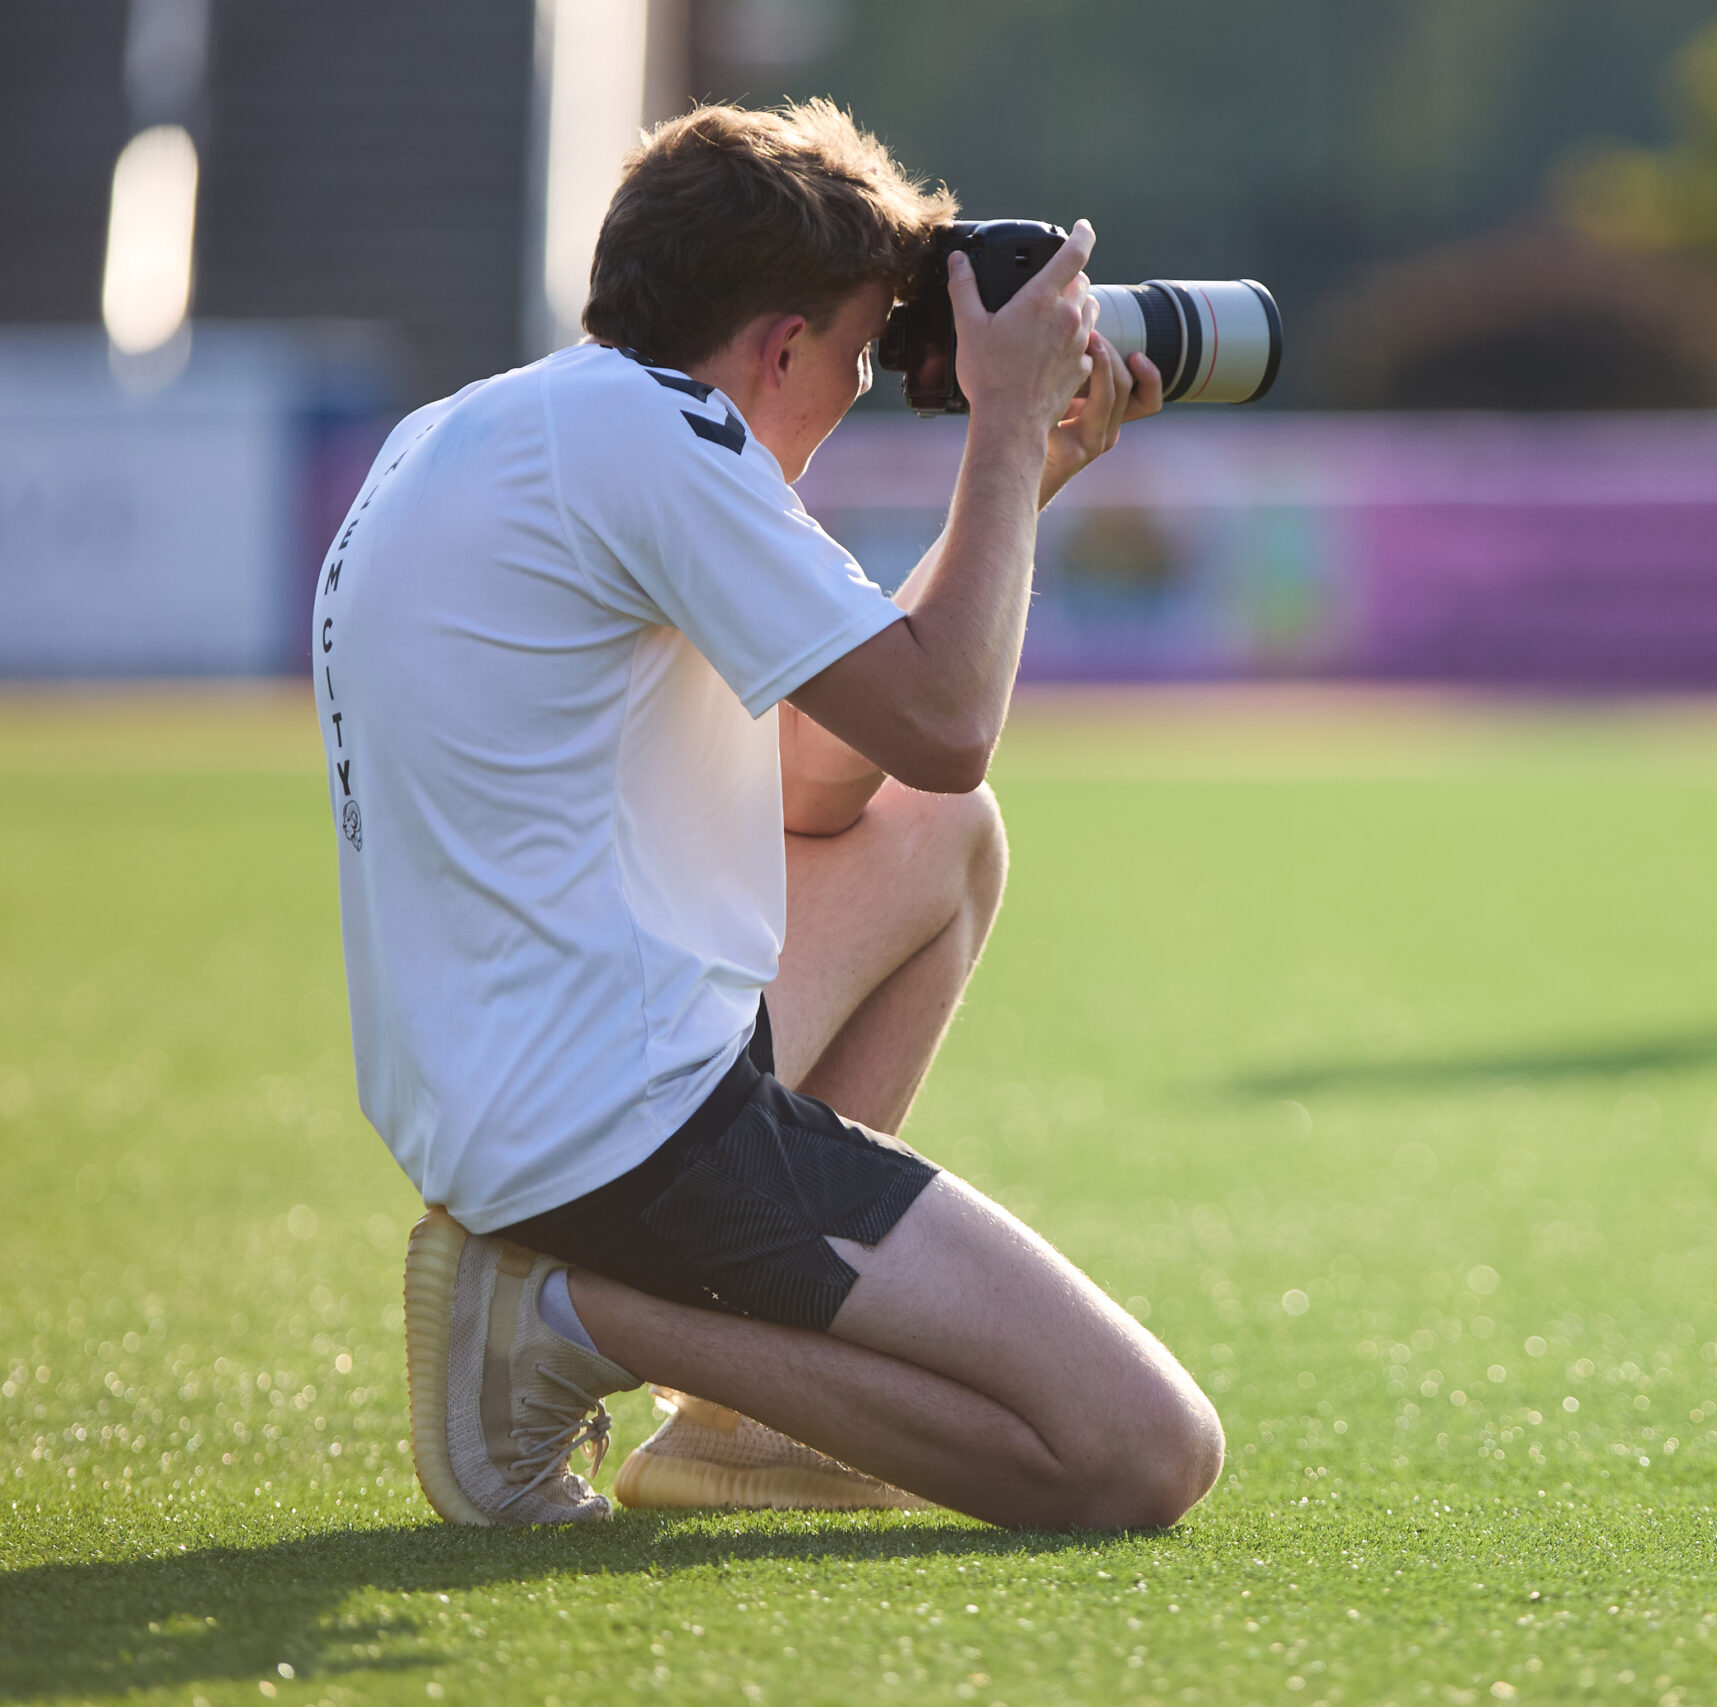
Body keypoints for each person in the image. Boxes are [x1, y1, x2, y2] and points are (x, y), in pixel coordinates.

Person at [314, 100, 1224, 1528]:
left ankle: (737, 1414)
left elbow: (834, 782)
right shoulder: (663, 434)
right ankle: (566, 1315)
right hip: (618, 1129)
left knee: (945, 840)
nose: (863, 387)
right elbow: (943, 721)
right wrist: (995, 431)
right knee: (1141, 1453)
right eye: (862, 354)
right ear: (782, 346)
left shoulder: (506, 421)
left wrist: (1026, 470)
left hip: (526, 1094)